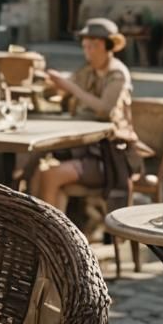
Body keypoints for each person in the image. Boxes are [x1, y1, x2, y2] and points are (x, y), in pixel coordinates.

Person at [31, 18, 149, 211]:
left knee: (50, 175)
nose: (88, 52)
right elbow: (61, 93)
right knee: (36, 173)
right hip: (83, 149)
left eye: (92, 47)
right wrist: (49, 83)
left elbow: (104, 108)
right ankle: (46, 234)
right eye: (85, 47)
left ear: (104, 46)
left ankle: (51, 235)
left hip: (108, 156)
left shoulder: (117, 74)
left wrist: (71, 87)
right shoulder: (88, 71)